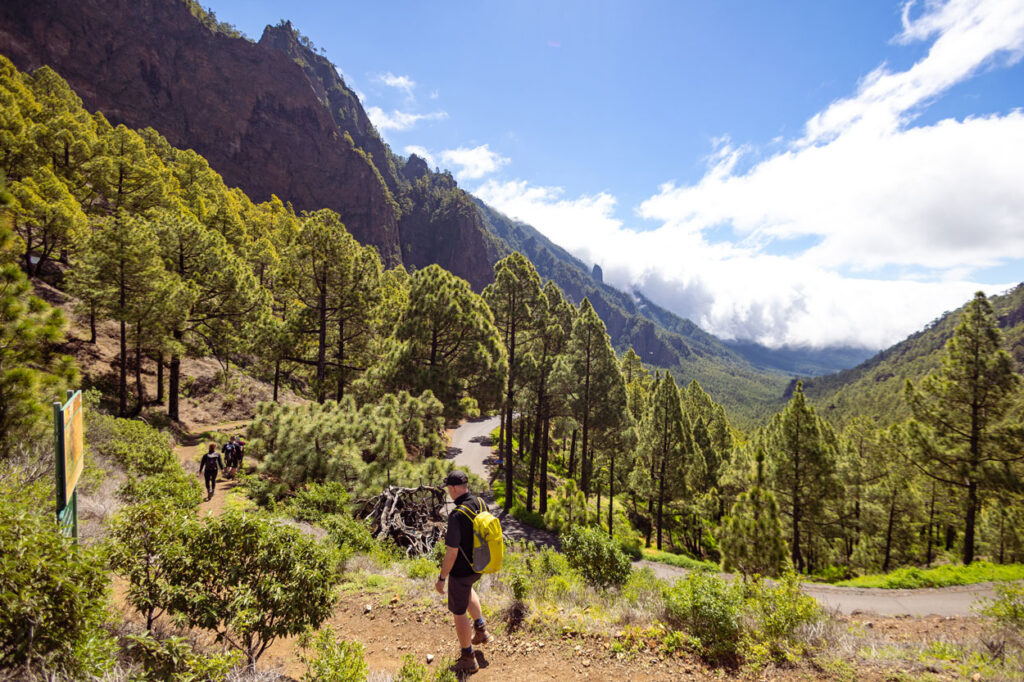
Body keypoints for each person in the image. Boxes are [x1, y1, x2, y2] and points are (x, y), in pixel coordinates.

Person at [435, 470, 493, 674]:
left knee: (458, 612)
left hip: (462, 570)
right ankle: (481, 630)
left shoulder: (457, 515)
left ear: (452, 488)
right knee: (468, 590)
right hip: (479, 565)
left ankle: (468, 657)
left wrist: (442, 578)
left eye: (448, 489)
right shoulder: (481, 502)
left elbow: (451, 553)